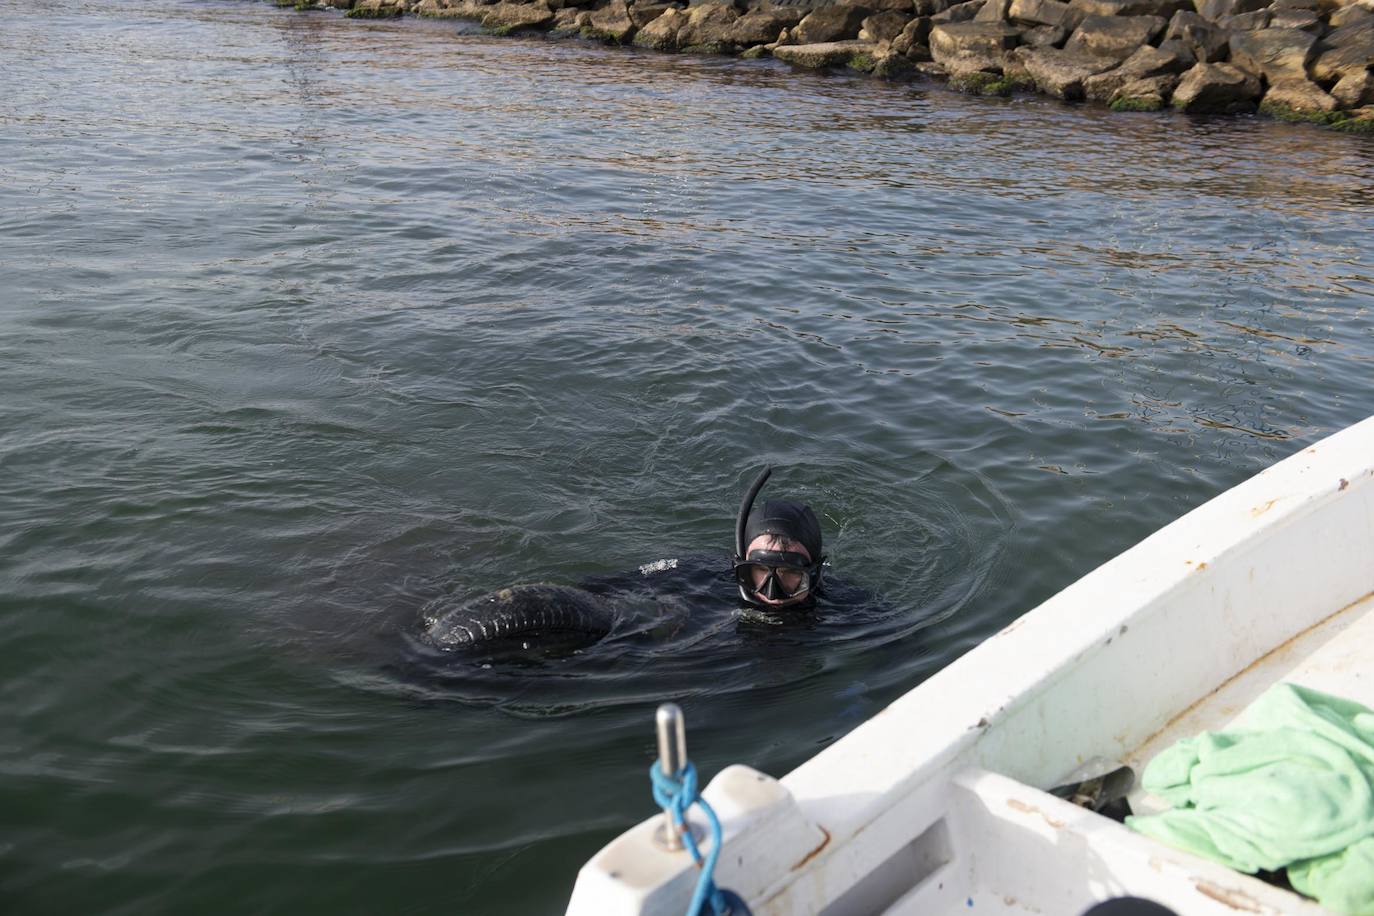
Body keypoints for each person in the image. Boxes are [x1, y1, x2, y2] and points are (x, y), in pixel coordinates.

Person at [731, 466, 826, 611]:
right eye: (759, 569)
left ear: (814, 574)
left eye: (790, 572)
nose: (771, 595)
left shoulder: (849, 615)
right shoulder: (706, 588)